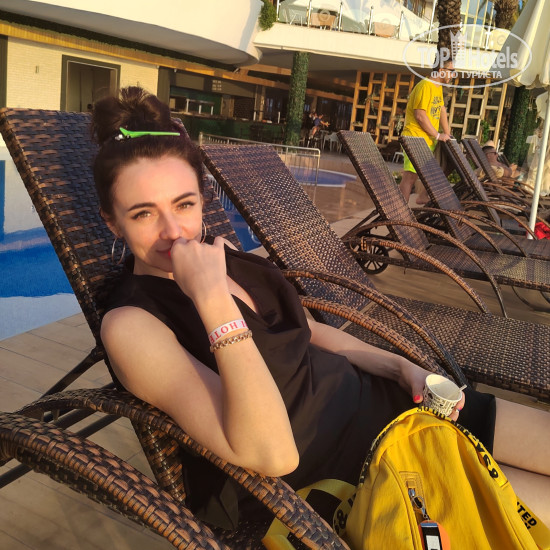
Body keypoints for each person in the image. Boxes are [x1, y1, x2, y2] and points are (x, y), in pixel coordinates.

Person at [94, 86, 550, 532]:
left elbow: (309, 333)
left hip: (382, 401)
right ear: (112, 222)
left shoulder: (222, 252)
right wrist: (211, 299)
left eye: (184, 204)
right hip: (346, 471)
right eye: (143, 213)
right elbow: (274, 454)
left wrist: (400, 367)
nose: (174, 232)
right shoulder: (132, 325)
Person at [400, 59, 454, 204]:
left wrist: (447, 134)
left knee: (444, 166)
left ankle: (423, 196)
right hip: (415, 138)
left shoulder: (437, 87)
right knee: (410, 177)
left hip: (427, 139)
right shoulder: (425, 86)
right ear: (441, 71)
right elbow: (420, 115)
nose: (453, 75)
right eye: (451, 71)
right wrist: (438, 135)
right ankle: (400, 212)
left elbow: (441, 109)